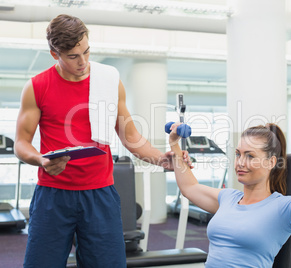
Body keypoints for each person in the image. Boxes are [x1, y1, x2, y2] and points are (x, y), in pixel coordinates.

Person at [14, 14, 191, 268]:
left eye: (87, 52)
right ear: (55, 54)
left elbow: (130, 136)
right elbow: (21, 143)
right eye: (73, 56)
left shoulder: (108, 81)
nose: (83, 62)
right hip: (53, 194)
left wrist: (161, 159)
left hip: (100, 194)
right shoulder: (36, 86)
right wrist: (40, 160)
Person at [168, 121, 291, 267]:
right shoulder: (227, 198)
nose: (240, 162)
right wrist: (174, 144)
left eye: (250, 156)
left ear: (271, 162)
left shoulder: (282, 208)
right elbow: (190, 187)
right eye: (238, 154)